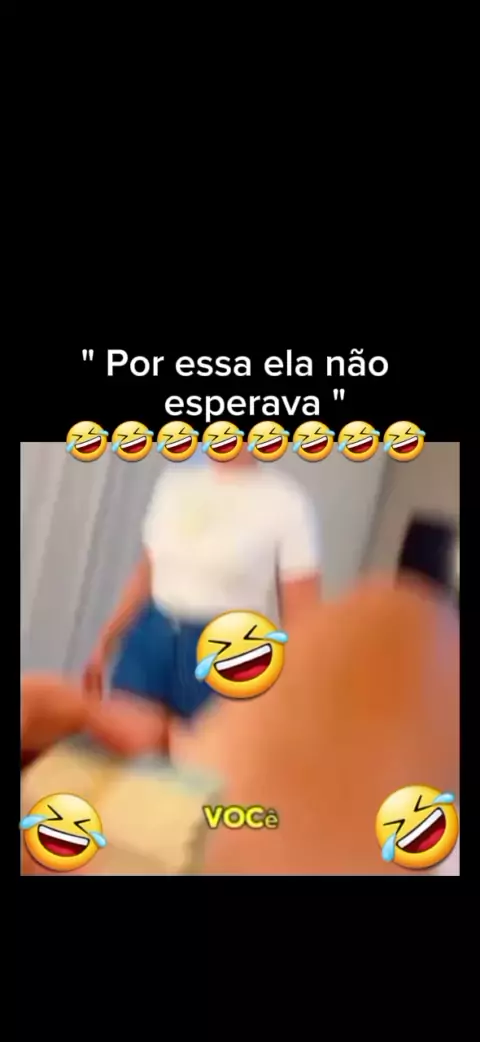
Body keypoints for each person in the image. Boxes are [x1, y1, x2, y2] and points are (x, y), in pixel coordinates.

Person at [83, 446, 322, 753]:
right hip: (152, 636)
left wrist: (294, 693)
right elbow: (148, 571)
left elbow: (303, 615)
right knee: (120, 758)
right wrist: (105, 641)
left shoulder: (285, 502)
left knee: (198, 768)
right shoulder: (174, 484)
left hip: (229, 650)